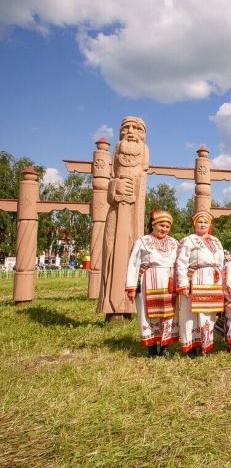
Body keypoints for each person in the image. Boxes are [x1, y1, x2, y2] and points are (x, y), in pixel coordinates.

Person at [98, 116, 150, 320]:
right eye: (126, 127)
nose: (131, 131)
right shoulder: (118, 149)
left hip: (134, 216)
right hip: (115, 212)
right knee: (111, 250)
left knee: (133, 254)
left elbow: (142, 182)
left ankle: (128, 306)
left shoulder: (144, 151)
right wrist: (114, 187)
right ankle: (110, 307)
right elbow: (111, 178)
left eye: (137, 128)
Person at [125, 210, 179, 357]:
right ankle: (151, 348)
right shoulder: (142, 242)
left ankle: (165, 347)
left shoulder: (174, 243)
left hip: (168, 282)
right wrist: (131, 286)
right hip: (148, 281)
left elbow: (180, 263)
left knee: (168, 315)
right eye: (161, 225)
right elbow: (133, 264)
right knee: (148, 315)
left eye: (167, 227)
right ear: (153, 225)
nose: (164, 229)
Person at [175, 210, 225, 357]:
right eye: (200, 222)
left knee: (208, 314)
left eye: (205, 222)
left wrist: (220, 281)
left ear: (209, 224)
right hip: (194, 278)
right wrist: (183, 283)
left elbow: (221, 262)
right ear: (194, 224)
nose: (202, 224)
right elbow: (181, 263)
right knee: (189, 313)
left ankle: (206, 344)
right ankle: (191, 346)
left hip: (212, 279)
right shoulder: (188, 240)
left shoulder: (216, 241)